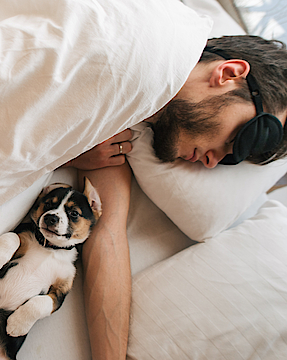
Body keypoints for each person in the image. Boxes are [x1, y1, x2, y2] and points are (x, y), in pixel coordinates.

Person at [65, 35, 287, 360]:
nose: (214, 162)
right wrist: (63, 146)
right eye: (240, 140)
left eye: (233, 160)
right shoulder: (135, 35)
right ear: (228, 74)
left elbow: (108, 235)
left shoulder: (119, 139)